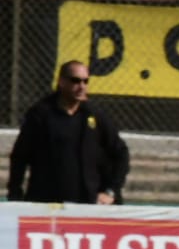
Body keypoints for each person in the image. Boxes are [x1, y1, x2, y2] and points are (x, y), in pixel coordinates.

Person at [8, 61, 129, 205]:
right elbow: (20, 156)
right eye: (75, 81)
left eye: (85, 81)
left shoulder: (94, 115)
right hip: (47, 203)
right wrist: (15, 192)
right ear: (61, 82)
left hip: (88, 204)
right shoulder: (41, 115)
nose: (82, 86)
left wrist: (110, 191)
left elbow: (121, 153)